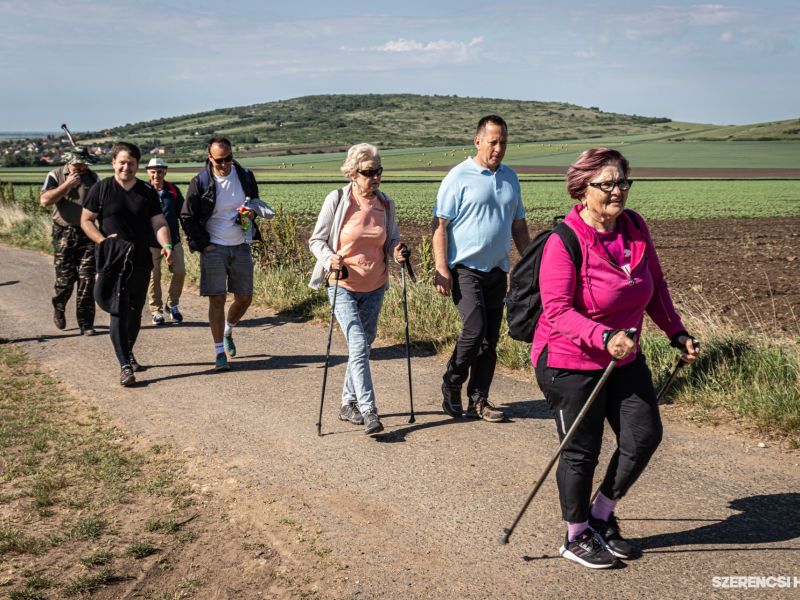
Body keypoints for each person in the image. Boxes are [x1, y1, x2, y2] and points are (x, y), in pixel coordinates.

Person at [532, 147, 699, 569]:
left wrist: (675, 331)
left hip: (623, 357)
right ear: (582, 189)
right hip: (568, 360)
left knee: (643, 436)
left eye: (622, 181)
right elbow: (556, 310)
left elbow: (655, 287)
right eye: (605, 184)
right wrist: (603, 336)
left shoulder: (635, 227)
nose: (617, 191)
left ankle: (601, 516)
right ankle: (575, 535)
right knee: (580, 451)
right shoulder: (564, 240)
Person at [432, 115, 530, 422]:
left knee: (490, 340)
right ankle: (452, 381)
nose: (498, 148)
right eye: (493, 141)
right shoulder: (458, 176)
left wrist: (530, 265)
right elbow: (439, 226)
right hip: (465, 269)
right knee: (474, 332)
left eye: (503, 142)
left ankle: (479, 399)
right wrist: (441, 268)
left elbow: (519, 225)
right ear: (477, 141)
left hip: (497, 270)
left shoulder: (511, 178)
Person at [309, 143, 406, 435]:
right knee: (359, 344)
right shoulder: (337, 200)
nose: (375, 177)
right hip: (342, 284)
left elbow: (391, 240)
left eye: (379, 171)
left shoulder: (385, 204)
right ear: (353, 173)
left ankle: (347, 402)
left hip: (375, 285)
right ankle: (368, 410)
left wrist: (397, 250)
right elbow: (317, 241)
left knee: (364, 344)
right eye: (368, 172)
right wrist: (330, 258)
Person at [81, 142, 173, 386]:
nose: (126, 167)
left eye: (131, 163)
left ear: (137, 166)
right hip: (113, 259)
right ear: (113, 163)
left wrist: (167, 245)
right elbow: (86, 221)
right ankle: (124, 365)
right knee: (119, 310)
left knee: (134, 311)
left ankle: (128, 352)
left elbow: (159, 222)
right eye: (121, 162)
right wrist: (102, 241)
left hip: (141, 259)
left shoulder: (146, 191)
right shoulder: (101, 189)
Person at [181, 137, 270, 371]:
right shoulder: (200, 182)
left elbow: (254, 204)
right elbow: (187, 216)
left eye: (228, 158)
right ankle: (219, 351)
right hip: (213, 247)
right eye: (219, 160)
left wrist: (251, 215)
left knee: (244, 298)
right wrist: (203, 245)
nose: (224, 164)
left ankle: (229, 330)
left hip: (241, 244)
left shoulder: (245, 176)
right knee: (217, 298)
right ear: (210, 158)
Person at [40, 147, 100, 335]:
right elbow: (45, 201)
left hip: (87, 232)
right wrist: (66, 185)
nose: (81, 167)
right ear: (69, 161)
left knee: (87, 279)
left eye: (84, 164)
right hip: (63, 233)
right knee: (65, 281)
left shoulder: (93, 177)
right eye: (78, 164)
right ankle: (59, 306)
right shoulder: (56, 174)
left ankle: (86, 323)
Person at [145, 157, 186, 325]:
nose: (156, 175)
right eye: (153, 171)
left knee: (180, 271)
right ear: (148, 172)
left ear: (165, 172)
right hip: (150, 242)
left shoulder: (173, 190)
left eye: (160, 171)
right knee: (154, 276)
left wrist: (191, 236)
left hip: (173, 240)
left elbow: (183, 214)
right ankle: (156, 311)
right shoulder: (143, 190)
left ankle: (172, 304)